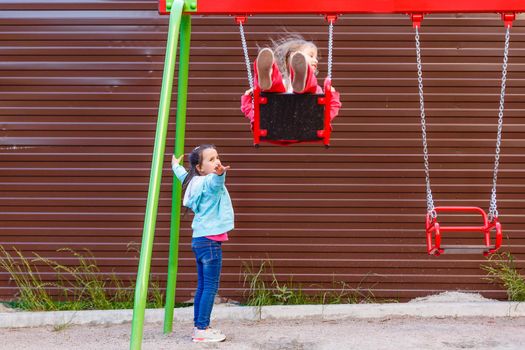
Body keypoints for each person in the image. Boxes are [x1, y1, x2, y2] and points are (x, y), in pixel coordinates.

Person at [172, 144, 234, 343]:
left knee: (203, 286)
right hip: (210, 243)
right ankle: (202, 329)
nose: (216, 161)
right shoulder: (209, 181)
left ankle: (199, 326)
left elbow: (183, 175)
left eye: (217, 157)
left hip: (199, 240)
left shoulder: (193, 182)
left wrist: (175, 166)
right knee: (209, 287)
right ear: (200, 168)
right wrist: (220, 174)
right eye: (211, 159)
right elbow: (216, 184)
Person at [240, 35, 342, 139]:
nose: (316, 60)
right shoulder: (287, 84)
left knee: (277, 90)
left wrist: (247, 100)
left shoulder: (314, 88)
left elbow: (254, 114)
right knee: (276, 86)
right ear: (294, 57)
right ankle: (269, 77)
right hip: (303, 128)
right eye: (311, 56)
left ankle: (273, 80)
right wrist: (333, 98)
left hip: (275, 128)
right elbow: (328, 114)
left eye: (316, 58)